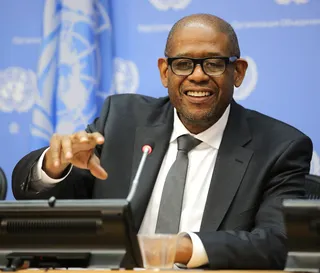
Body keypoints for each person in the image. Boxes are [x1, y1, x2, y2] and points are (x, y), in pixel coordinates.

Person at [12, 13, 312, 269]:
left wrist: (178, 247)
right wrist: (52, 168)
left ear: (238, 72)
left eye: (214, 64)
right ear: (164, 72)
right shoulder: (121, 121)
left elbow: (280, 241)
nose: (197, 76)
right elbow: (48, 208)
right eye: (183, 64)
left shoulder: (279, 146)